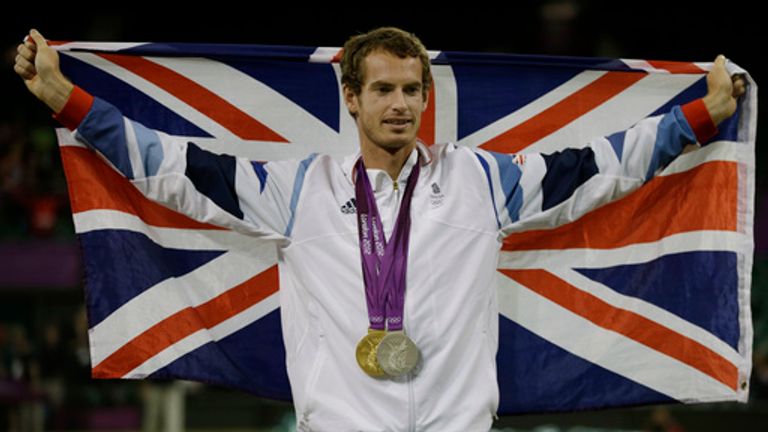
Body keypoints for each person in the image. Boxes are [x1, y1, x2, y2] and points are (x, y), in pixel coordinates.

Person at [15, 27, 746, 431]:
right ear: (352, 98)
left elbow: (598, 168)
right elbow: (173, 166)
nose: (399, 105)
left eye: (410, 91)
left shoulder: (481, 183)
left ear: (427, 98)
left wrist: (700, 116)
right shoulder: (297, 191)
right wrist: (66, 99)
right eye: (383, 90)